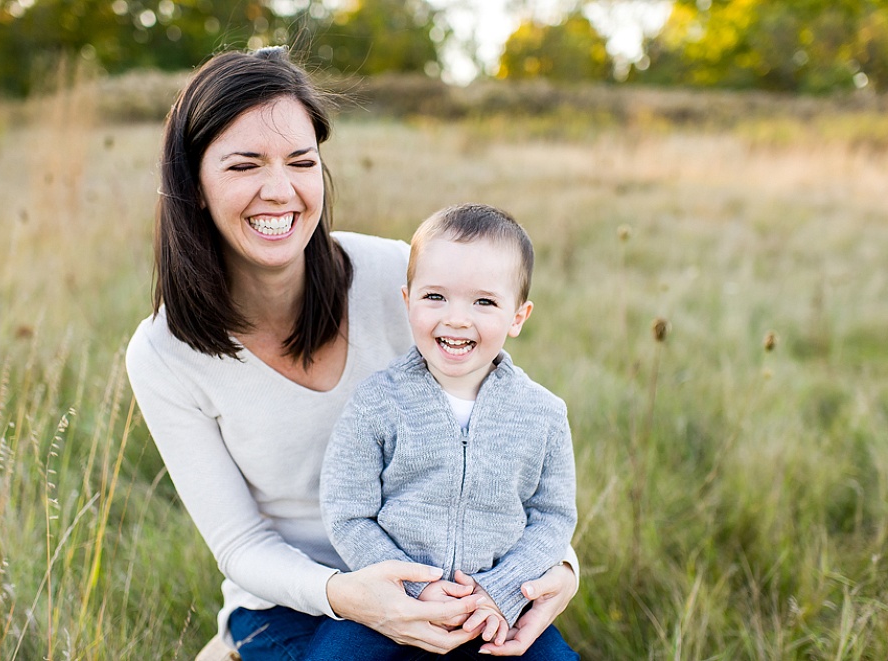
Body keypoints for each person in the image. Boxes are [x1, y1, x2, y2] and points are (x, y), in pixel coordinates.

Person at [125, 47, 580, 661]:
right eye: (244, 165)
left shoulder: (399, 274)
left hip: (451, 583)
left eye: (300, 161)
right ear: (195, 185)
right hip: (296, 601)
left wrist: (558, 568)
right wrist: (346, 595)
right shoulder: (164, 353)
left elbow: (506, 436)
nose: (279, 190)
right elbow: (241, 544)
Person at [311, 204, 578, 660]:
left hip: (494, 609)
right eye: (435, 297)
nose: (456, 318)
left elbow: (553, 517)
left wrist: (504, 590)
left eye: (484, 301)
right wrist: (414, 589)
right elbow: (347, 511)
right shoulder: (377, 402)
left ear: (518, 316)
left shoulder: (543, 414)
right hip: (394, 605)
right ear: (407, 299)